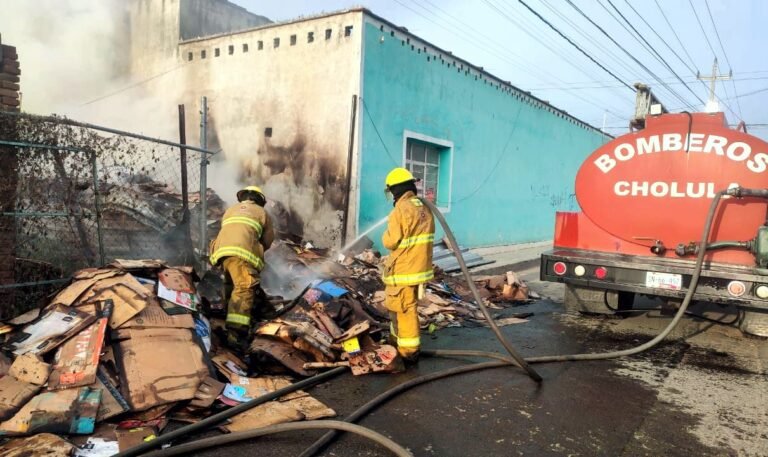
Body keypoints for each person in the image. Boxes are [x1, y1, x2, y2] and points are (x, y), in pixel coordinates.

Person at [209, 186, 275, 350]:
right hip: (242, 253)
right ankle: (235, 333)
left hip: (222, 251)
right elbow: (268, 240)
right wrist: (258, 251)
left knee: (231, 285)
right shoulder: (261, 212)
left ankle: (227, 315)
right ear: (260, 200)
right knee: (245, 287)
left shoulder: (231, 210)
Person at [381, 168, 435, 362]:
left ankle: (408, 352)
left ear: (395, 189)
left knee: (404, 310)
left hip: (404, 270)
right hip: (419, 269)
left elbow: (391, 241)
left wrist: (384, 235)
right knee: (403, 307)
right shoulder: (423, 207)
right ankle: (397, 341)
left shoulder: (401, 210)